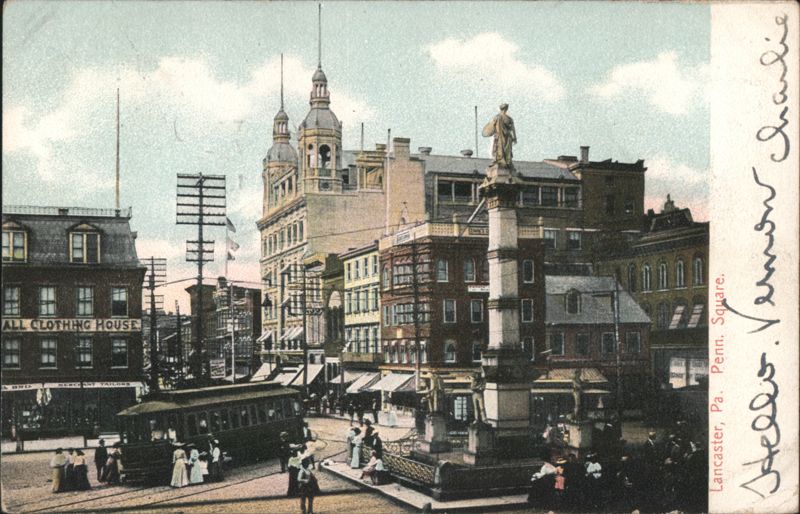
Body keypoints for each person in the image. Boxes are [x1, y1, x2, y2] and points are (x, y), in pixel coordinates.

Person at [481, 103, 517, 168]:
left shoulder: (497, 117)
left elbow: (491, 127)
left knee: (499, 149)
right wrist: (515, 138)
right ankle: (506, 162)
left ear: (501, 109)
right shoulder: (509, 119)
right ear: (506, 109)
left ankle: (499, 160)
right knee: (507, 151)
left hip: (500, 137)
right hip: (508, 138)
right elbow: (513, 129)